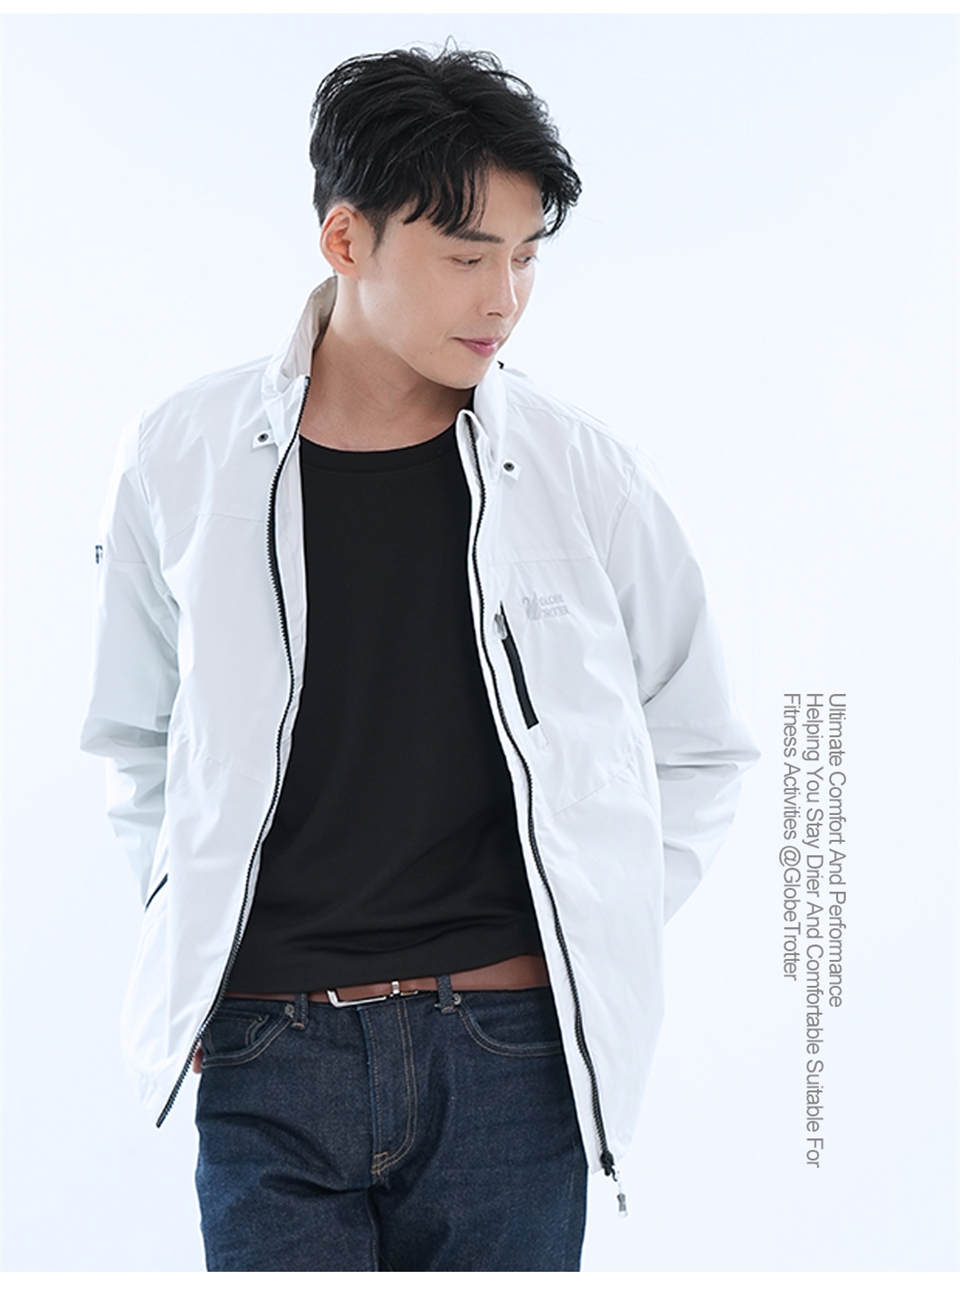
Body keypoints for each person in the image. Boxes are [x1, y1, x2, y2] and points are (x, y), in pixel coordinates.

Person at [81, 45, 758, 1272]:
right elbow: (136, 737)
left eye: (526, 256)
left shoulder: (580, 472)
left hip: (508, 1050)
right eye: (466, 256)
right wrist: (192, 935)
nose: (504, 297)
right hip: (267, 1044)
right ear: (346, 239)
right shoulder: (182, 456)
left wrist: (592, 919)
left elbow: (700, 738)